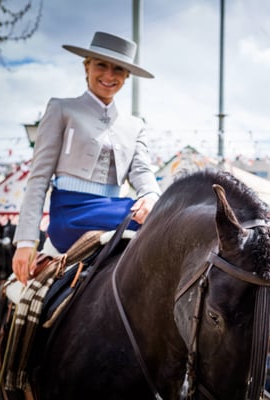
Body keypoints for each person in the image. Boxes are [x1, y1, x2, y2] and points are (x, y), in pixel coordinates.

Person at [12, 31, 161, 286]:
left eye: (118, 69)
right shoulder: (61, 108)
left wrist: (151, 197)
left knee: (165, 217)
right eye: (101, 65)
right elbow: (38, 178)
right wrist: (26, 241)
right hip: (70, 213)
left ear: (127, 76)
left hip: (117, 208)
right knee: (163, 224)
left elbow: (142, 171)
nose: (109, 75)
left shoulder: (135, 125)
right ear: (86, 66)